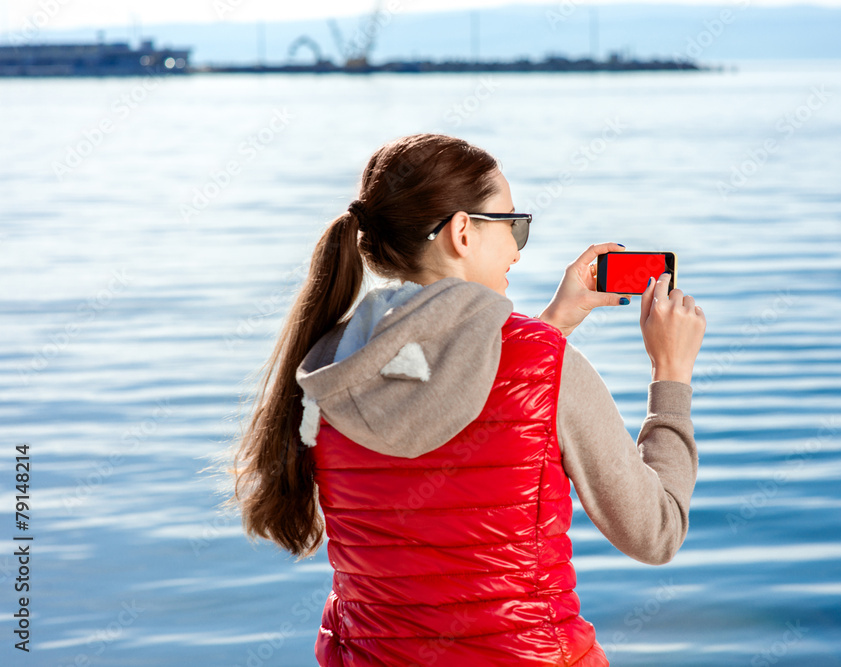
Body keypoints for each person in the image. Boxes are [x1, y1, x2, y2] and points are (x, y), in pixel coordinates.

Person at [229, 133, 706, 666]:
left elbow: (455, 399)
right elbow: (657, 533)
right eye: (511, 224)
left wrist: (553, 325)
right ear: (461, 231)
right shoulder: (547, 366)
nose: (517, 250)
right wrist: (672, 373)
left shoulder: (329, 362)